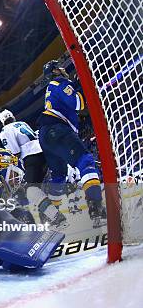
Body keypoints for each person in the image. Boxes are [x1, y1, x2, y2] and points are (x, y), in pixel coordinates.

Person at [36, 60, 106, 228]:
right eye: (59, 67)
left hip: (46, 135)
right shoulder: (60, 82)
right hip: (57, 129)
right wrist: (80, 85)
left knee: (59, 177)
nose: (63, 69)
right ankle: (96, 210)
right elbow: (77, 103)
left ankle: (51, 219)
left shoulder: (51, 87)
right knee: (86, 162)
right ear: (55, 71)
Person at [0, 109, 66, 227]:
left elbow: (15, 152)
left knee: (31, 191)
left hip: (32, 157)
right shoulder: (23, 123)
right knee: (39, 190)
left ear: (3, 122)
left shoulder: (5, 130)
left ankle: (57, 217)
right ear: (13, 117)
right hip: (44, 153)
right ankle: (48, 219)